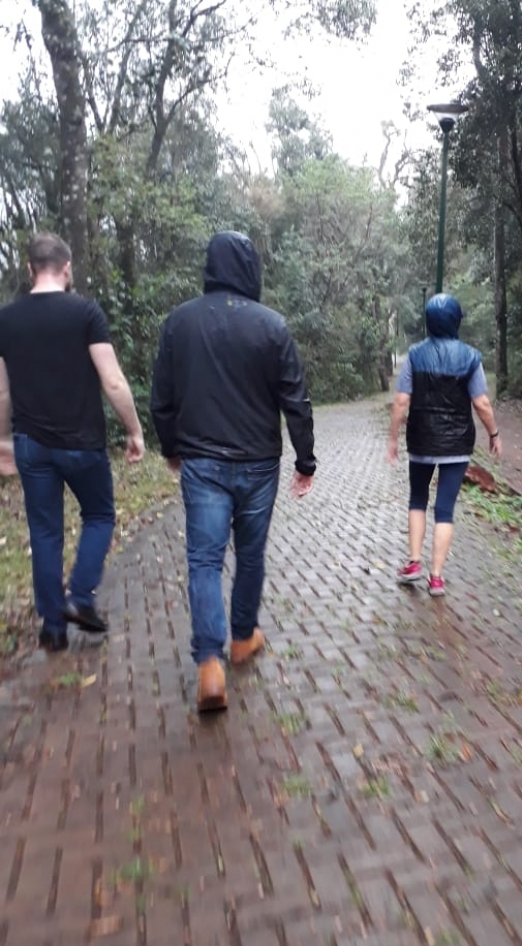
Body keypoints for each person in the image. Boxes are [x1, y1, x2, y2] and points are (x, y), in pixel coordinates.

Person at [151, 231, 316, 714]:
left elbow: (162, 397)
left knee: (204, 560)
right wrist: (305, 459)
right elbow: (296, 399)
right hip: (259, 463)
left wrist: (171, 447)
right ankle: (242, 638)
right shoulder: (272, 326)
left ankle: (209, 664)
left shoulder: (179, 322)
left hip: (201, 462)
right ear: (250, 269)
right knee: (250, 554)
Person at [0, 233, 145, 651]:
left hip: (31, 444)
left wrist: (3, 438)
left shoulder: (6, 319)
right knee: (99, 515)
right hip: (81, 441)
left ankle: (53, 629)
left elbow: (1, 391)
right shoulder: (85, 312)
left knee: (45, 532)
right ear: (66, 268)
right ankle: (80, 597)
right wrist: (134, 430)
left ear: (30, 268)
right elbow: (112, 381)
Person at [387, 293, 502, 596]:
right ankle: (436, 577)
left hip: (421, 439)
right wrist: (494, 434)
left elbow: (401, 402)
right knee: (445, 510)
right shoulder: (471, 357)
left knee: (417, 499)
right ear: (456, 320)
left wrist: (393, 439)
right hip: (457, 443)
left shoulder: (415, 355)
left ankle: (414, 563)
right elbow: (482, 403)